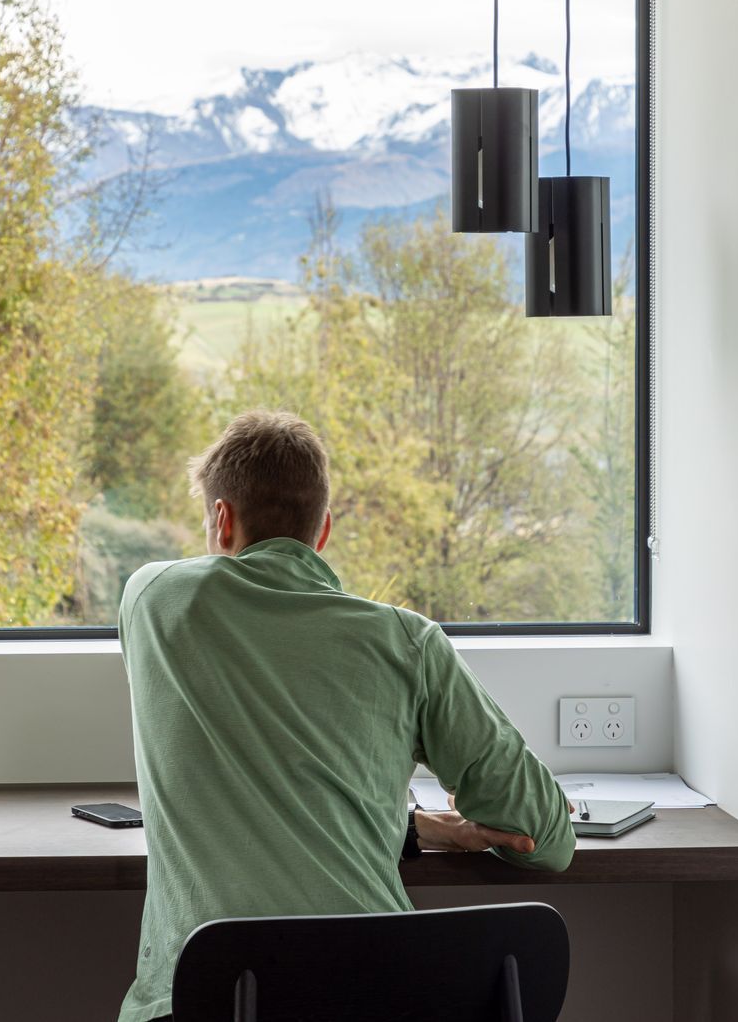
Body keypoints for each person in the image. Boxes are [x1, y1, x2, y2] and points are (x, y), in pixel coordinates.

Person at [117, 410, 575, 1022]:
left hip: (212, 1008)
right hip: (381, 1002)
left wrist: (405, 824)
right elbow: (546, 840)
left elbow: (266, 771)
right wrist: (418, 826)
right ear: (323, 530)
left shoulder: (154, 601)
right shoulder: (406, 642)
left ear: (221, 521)